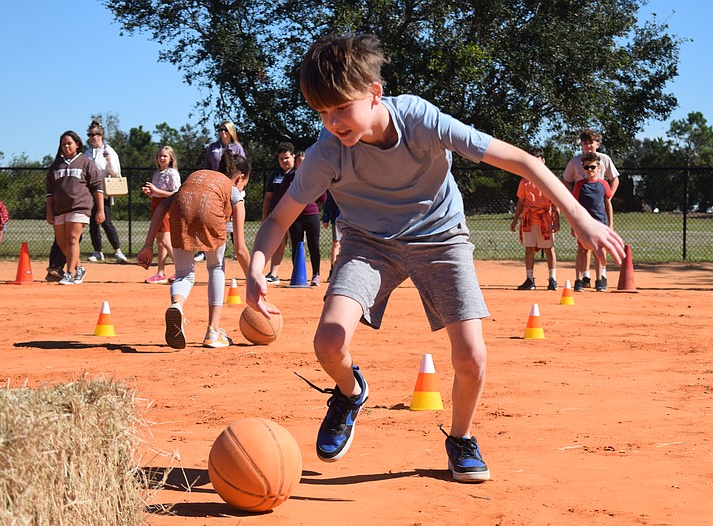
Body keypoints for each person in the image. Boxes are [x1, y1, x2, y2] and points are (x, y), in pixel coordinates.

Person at [245, 34, 624, 483]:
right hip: (369, 244)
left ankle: (461, 439)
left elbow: (522, 160)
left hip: (441, 238)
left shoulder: (420, 120)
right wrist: (255, 266)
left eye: (341, 109)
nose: (331, 123)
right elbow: (279, 218)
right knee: (328, 341)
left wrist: (581, 218)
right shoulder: (328, 152)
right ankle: (350, 392)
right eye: (322, 113)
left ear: (374, 94)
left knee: (471, 357)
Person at [138, 150, 251, 349]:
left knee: (183, 274)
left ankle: (177, 306)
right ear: (241, 177)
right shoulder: (233, 191)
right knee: (216, 267)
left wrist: (148, 246)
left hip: (182, 206)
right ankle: (212, 332)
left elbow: (162, 207)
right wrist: (254, 280)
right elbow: (240, 248)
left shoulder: (199, 178)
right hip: (211, 211)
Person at [562, 129, 620, 289]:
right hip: (582, 210)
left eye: (591, 142)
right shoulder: (575, 162)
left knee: (599, 247)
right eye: (585, 143)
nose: (588, 146)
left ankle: (601, 278)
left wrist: (606, 196)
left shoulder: (605, 160)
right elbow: (566, 180)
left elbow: (614, 180)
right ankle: (583, 277)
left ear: (597, 144)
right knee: (583, 248)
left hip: (598, 211)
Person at [46, 131, 105, 285]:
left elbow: (97, 188)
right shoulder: (56, 165)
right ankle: (79, 268)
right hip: (60, 209)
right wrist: (49, 211)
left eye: (69, 143)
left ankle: (69, 273)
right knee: (62, 242)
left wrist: (100, 210)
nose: (66, 146)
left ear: (77, 144)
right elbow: (50, 193)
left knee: (73, 239)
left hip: (79, 206)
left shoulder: (86, 163)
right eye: (63, 144)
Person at [197, 120, 247, 263]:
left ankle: (238, 248)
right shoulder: (213, 147)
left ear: (231, 131)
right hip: (213, 188)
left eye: (225, 130)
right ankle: (204, 251)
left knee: (233, 219)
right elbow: (207, 166)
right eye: (220, 129)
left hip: (231, 188)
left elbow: (244, 168)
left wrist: (239, 187)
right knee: (209, 219)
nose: (222, 132)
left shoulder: (237, 148)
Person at [509, 147, 559, 290]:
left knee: (549, 249)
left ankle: (552, 279)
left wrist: (557, 221)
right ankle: (530, 280)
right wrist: (515, 220)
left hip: (545, 219)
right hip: (529, 220)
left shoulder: (549, 180)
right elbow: (520, 202)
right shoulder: (525, 181)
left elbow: (556, 202)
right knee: (529, 249)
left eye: (538, 161)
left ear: (543, 161)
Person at [84, 120, 128, 264]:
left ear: (101, 135)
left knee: (106, 222)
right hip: (90, 192)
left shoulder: (108, 150)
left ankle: (118, 251)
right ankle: (98, 251)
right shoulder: (87, 153)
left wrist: (109, 160)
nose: (93, 137)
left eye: (96, 134)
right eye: (90, 135)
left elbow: (116, 172)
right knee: (93, 223)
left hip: (104, 192)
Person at [571, 152, 613, 292]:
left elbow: (607, 204)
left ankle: (599, 280)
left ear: (599, 168)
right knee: (582, 251)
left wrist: (610, 224)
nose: (590, 170)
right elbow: (574, 205)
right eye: (587, 167)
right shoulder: (580, 185)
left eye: (593, 167)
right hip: (584, 224)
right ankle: (578, 280)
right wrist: (574, 224)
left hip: (599, 224)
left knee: (599, 252)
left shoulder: (603, 184)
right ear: (583, 168)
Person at [142, 146, 182, 283]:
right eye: (159, 156)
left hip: (167, 207)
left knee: (165, 240)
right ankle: (160, 273)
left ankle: (181, 270)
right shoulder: (157, 174)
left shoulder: (172, 173)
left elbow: (177, 193)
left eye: (165, 156)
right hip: (157, 205)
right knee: (160, 241)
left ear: (171, 158)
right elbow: (156, 194)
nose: (162, 158)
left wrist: (156, 190)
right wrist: (150, 193)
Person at [288, 148, 326, 287]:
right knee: (297, 246)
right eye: (300, 162)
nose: (303, 165)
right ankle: (298, 274)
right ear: (296, 164)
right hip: (295, 216)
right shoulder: (289, 178)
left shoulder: (314, 177)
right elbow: (281, 196)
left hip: (311, 214)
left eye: (305, 162)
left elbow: (323, 198)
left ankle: (316, 275)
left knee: (314, 245)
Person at [261, 142, 296, 283]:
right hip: (278, 217)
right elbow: (268, 197)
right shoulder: (275, 176)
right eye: (281, 158)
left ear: (293, 157)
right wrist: (264, 217)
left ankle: (298, 274)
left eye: (287, 157)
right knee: (278, 244)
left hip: (295, 216)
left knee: (296, 244)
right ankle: (273, 274)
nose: (284, 161)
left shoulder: (298, 174)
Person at [321, 189, 341, 281]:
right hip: (337, 218)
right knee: (336, 243)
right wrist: (326, 218)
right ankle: (333, 270)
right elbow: (328, 203)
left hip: (352, 219)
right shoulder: (335, 185)